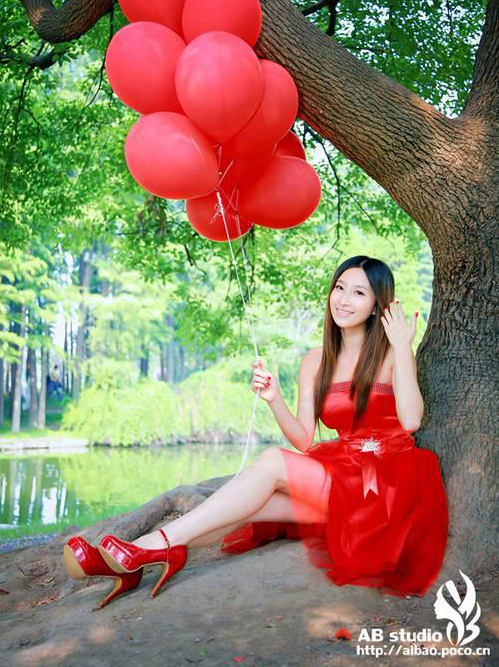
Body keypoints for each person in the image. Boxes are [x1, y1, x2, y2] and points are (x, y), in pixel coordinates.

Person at [63, 255, 449, 610]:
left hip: (383, 483)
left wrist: (403, 346)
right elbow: (304, 439)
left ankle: (147, 549)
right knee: (251, 505)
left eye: (359, 293)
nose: (344, 300)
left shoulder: (391, 353)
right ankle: (136, 555)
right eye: (340, 287)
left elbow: (411, 421)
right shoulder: (315, 361)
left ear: (378, 304)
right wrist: (274, 399)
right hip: (340, 472)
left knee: (272, 462)